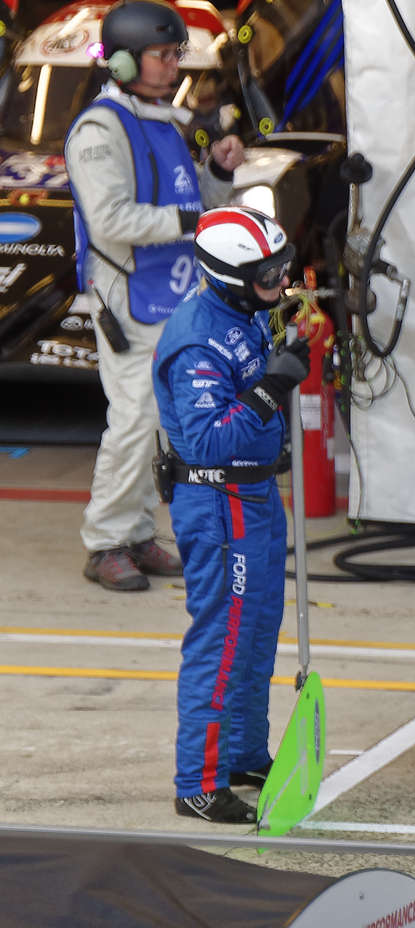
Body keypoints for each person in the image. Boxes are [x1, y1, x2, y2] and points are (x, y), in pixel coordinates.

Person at [71, 0, 242, 591]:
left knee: (166, 420)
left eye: (176, 55)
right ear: (121, 62)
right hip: (127, 295)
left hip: (174, 293)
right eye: (162, 56)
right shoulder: (99, 129)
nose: (174, 67)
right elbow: (110, 218)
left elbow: (200, 203)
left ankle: (139, 533)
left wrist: (218, 172)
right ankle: (107, 541)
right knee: (136, 417)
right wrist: (191, 220)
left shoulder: (168, 122)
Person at [158, 207, 305, 824]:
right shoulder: (197, 337)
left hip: (258, 498)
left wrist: (282, 324)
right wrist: (272, 388)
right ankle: (198, 781)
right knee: (221, 640)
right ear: (226, 276)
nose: (280, 283)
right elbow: (210, 440)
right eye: (267, 276)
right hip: (219, 503)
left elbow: (254, 345)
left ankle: (243, 753)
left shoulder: (242, 313)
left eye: (282, 270)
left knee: (258, 630)